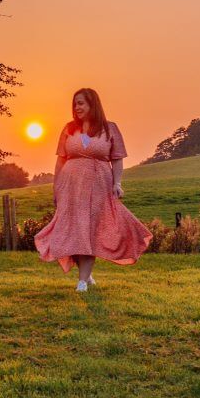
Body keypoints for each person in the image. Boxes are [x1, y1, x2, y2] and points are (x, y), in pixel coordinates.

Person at [34, 88, 152, 292]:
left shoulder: (109, 128)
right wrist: (57, 188)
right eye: (75, 104)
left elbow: (117, 160)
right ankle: (86, 276)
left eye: (81, 103)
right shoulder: (69, 129)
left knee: (88, 230)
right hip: (70, 186)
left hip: (99, 185)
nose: (76, 107)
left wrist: (117, 183)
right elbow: (60, 160)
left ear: (92, 104)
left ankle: (82, 281)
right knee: (74, 231)